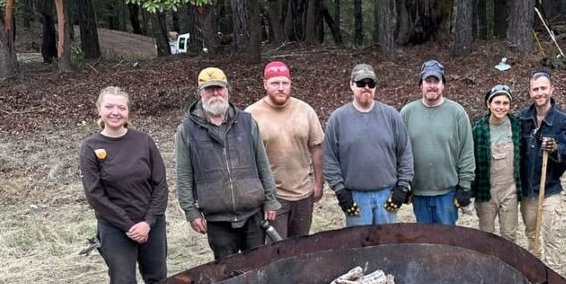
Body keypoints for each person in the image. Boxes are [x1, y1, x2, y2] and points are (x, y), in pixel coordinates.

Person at [175, 67, 281, 261]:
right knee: (227, 273)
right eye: (209, 89)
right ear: (200, 93)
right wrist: (191, 211)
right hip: (217, 219)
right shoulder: (187, 130)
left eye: (219, 88)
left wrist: (270, 199)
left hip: (253, 214)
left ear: (227, 90)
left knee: (259, 266)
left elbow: (263, 164)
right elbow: (183, 175)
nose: (215, 93)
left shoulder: (247, 122)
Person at [79, 86, 168, 284]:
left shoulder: (144, 141)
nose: (115, 112)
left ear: (128, 112)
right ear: (99, 110)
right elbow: (95, 195)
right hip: (116, 229)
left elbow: (160, 184)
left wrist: (148, 222)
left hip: (151, 225)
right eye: (109, 106)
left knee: (158, 281)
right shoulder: (91, 147)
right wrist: (128, 226)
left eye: (121, 107)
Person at [323, 63, 414, 226]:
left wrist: (402, 188)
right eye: (361, 83)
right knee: (360, 249)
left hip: (387, 196)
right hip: (355, 198)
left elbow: (405, 153)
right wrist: (341, 192)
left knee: (386, 246)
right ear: (351, 85)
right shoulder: (337, 119)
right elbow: (330, 160)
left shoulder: (392, 116)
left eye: (371, 84)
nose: (366, 87)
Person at [246, 60, 325, 238]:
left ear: (290, 84)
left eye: (285, 83)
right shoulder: (251, 115)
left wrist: (319, 183)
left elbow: (316, 148)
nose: (280, 88)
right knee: (277, 249)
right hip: (273, 197)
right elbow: (246, 160)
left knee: (300, 246)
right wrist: (261, 196)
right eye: (275, 83)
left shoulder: (305, 111)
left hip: (304, 194)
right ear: (265, 84)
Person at [400, 60, 475, 224]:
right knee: (424, 244)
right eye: (428, 81)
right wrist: (402, 184)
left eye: (436, 81)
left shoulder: (457, 113)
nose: (432, 86)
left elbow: (467, 152)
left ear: (443, 85)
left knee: (447, 244)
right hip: (419, 193)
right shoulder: (407, 113)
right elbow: (399, 152)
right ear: (421, 85)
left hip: (447, 194)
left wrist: (465, 186)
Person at [519, 71, 566, 266]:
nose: (539, 93)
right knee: (532, 237)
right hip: (528, 191)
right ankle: (536, 275)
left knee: (551, 237)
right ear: (530, 92)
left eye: (543, 88)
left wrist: (555, 148)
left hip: (549, 188)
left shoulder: (563, 121)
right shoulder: (523, 118)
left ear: (552, 90)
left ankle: (554, 279)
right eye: (535, 89)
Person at [472, 84, 522, 242]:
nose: (501, 107)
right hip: (487, 192)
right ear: (489, 104)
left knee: (509, 235)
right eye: (497, 103)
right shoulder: (478, 129)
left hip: (510, 190)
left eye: (505, 103)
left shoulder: (517, 125)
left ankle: (507, 266)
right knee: (487, 236)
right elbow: (470, 161)